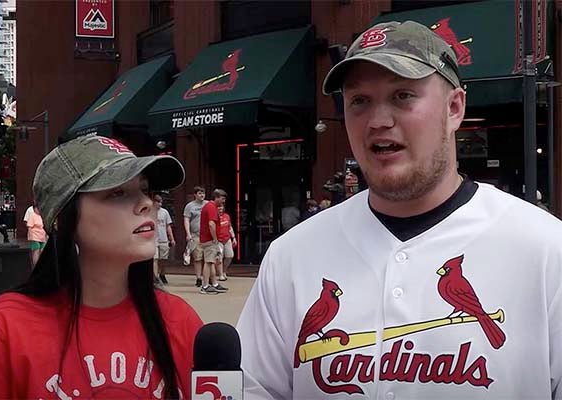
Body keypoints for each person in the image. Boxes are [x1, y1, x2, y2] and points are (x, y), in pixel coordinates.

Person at [236, 21, 562, 399]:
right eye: (359, 101)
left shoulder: (545, 249)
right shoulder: (291, 255)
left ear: (455, 108)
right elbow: (253, 389)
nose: (378, 121)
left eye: (403, 95)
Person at [0, 134, 203, 399]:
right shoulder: (3, 328)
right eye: (118, 192)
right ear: (62, 219)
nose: (146, 203)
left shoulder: (179, 321)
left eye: (145, 189)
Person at [198, 189, 228, 295]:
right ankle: (205, 285)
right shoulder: (211, 207)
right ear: (217, 197)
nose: (223, 201)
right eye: (222, 199)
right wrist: (215, 238)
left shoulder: (209, 206)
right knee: (209, 262)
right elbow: (211, 224)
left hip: (208, 238)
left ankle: (214, 283)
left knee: (211, 262)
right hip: (209, 239)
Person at [183, 186, 207, 287]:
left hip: (207, 235)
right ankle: (198, 278)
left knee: (208, 258)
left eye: (203, 193)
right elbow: (186, 220)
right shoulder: (190, 206)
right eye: (200, 193)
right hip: (195, 235)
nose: (202, 195)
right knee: (197, 257)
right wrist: (188, 233)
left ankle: (208, 277)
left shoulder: (208, 204)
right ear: (195, 195)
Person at [153, 193, 175, 285]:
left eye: (161, 202)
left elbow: (168, 226)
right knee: (155, 259)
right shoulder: (149, 212)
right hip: (153, 239)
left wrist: (171, 238)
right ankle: (155, 277)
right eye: (158, 202)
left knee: (163, 259)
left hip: (163, 238)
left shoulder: (164, 212)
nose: (160, 204)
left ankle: (162, 274)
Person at [215, 204, 236, 281]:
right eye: (218, 207)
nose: (220, 208)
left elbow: (230, 227)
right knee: (219, 258)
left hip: (227, 239)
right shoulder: (214, 217)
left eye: (221, 207)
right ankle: (220, 275)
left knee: (229, 256)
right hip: (218, 240)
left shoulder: (227, 216)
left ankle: (224, 271)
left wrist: (233, 237)